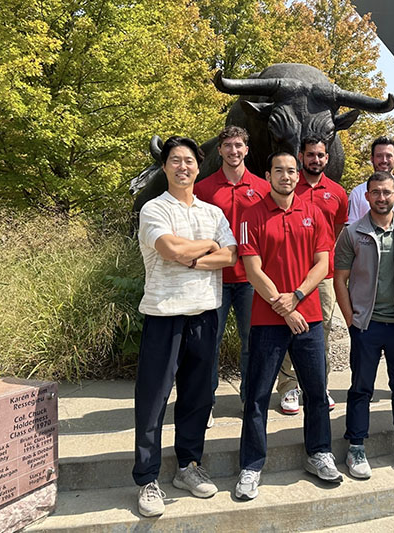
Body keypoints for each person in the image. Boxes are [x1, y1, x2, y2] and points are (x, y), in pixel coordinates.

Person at [134, 136, 237, 517]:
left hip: (205, 313)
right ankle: (146, 478)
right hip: (164, 314)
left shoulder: (212, 212)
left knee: (197, 397)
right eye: (175, 160)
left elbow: (231, 255)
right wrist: (206, 247)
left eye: (189, 161)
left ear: (198, 166)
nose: (182, 167)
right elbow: (169, 250)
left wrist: (195, 254)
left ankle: (188, 466)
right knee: (153, 400)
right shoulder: (153, 209)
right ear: (165, 167)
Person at [235, 151, 340, 500]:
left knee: (315, 390)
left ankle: (319, 453)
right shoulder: (251, 216)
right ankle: (251, 466)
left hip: (307, 317)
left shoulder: (315, 213)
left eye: (291, 171)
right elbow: (252, 270)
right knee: (258, 395)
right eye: (278, 170)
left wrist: (295, 297)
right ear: (268, 175)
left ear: (298, 176)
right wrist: (283, 308)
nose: (286, 176)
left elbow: (322, 263)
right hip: (267, 320)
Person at [334, 171, 394, 479]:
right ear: (366, 196)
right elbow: (340, 279)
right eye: (375, 192)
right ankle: (356, 447)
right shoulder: (353, 232)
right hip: (367, 324)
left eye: (387, 192)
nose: (381, 197)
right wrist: (351, 319)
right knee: (361, 387)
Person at [193, 126, 270, 409]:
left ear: (246, 150)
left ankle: (250, 398)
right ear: (220, 150)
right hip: (214, 278)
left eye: (239, 145)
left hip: (252, 279)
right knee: (208, 344)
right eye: (228, 146)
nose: (233, 151)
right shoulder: (203, 188)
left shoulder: (263, 189)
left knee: (252, 342)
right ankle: (206, 401)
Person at [276, 137, 349, 415]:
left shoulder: (338, 193)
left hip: (325, 274)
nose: (315, 160)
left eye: (320, 155)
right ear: (300, 156)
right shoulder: (291, 187)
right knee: (288, 329)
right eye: (310, 155)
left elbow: (338, 227)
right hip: (290, 271)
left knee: (324, 330)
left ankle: (319, 385)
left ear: (327, 158)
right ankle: (289, 387)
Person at [346, 137, 394, 226]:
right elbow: (351, 228)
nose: (384, 160)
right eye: (379, 156)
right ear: (372, 159)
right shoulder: (357, 193)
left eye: (388, 156)